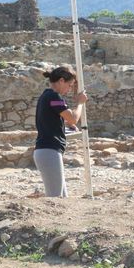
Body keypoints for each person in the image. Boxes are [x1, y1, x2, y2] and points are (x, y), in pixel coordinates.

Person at [33, 66, 88, 197]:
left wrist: (67, 125)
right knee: (55, 199)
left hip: (48, 151)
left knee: (62, 198)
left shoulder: (47, 96)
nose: (69, 90)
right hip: (49, 151)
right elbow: (74, 118)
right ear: (61, 81)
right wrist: (80, 103)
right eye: (70, 85)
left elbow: (53, 120)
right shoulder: (53, 96)